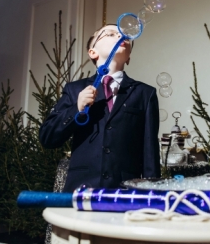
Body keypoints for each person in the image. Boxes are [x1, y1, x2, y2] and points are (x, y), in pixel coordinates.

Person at [39, 23, 160, 192]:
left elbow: (150, 151)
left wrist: (151, 193)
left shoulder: (145, 93)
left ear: (129, 58)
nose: (120, 36)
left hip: (124, 190)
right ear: (92, 52)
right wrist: (77, 108)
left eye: (124, 36)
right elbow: (47, 137)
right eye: (110, 34)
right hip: (81, 188)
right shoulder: (74, 89)